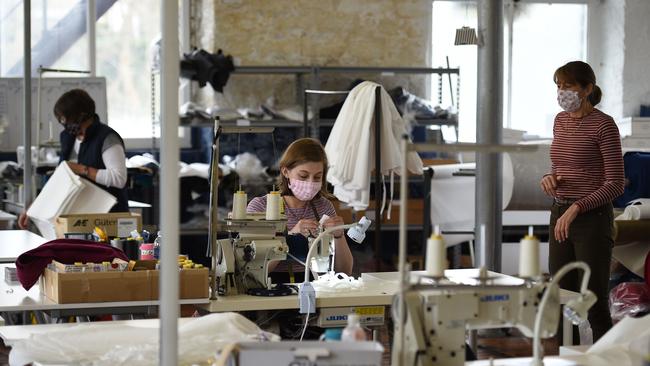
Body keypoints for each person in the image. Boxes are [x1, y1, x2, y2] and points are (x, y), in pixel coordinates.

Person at [540, 61, 624, 342]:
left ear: (587, 89)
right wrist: (549, 179)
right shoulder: (560, 121)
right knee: (562, 298)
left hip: (591, 219)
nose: (562, 92)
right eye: (559, 86)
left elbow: (614, 184)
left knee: (592, 300)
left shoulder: (604, 125)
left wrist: (578, 207)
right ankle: (568, 359)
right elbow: (560, 166)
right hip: (559, 213)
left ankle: (605, 360)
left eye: (569, 86)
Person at [19, 89, 128, 229]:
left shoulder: (107, 138)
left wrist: (80, 169)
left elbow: (119, 179)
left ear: (81, 115)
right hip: (79, 219)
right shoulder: (68, 137)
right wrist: (33, 209)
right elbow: (58, 179)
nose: (64, 124)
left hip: (109, 219)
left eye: (66, 119)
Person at [247, 138, 354, 280]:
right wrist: (290, 236)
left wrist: (339, 236)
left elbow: (344, 272)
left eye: (317, 177)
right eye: (303, 176)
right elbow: (252, 270)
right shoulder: (260, 208)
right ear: (285, 172)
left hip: (313, 285)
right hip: (269, 285)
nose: (310, 183)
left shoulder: (324, 207)